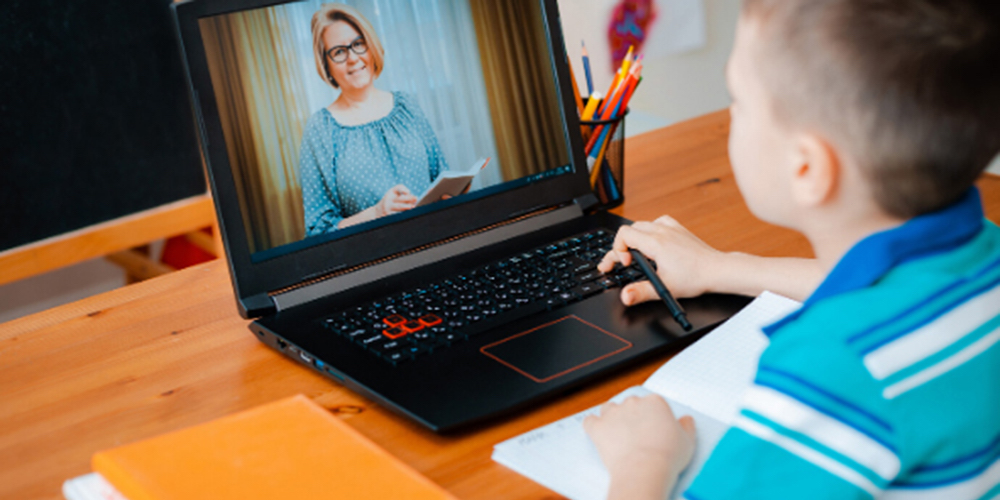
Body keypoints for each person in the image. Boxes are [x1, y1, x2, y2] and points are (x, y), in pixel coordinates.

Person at [584, 0, 1000, 498]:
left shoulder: (836, 365)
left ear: (806, 168)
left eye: (737, 100)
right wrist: (721, 267)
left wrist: (643, 460)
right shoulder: (984, 251)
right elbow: (880, 285)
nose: (731, 115)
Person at [299, 4, 448, 235]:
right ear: (326, 65)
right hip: (375, 262)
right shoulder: (320, 130)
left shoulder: (407, 105)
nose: (352, 58)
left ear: (371, 47)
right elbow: (318, 232)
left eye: (358, 44)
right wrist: (377, 213)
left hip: (436, 240)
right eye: (338, 52)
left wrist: (453, 193)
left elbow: (441, 176)